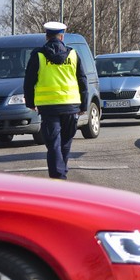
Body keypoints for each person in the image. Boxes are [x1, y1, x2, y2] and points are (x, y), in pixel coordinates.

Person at [23, 21, 88, 179]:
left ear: (47, 36)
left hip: (48, 107)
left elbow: (29, 80)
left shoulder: (38, 55)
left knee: (53, 144)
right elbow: (82, 80)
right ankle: (60, 173)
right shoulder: (73, 54)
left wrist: (30, 103)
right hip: (71, 105)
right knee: (65, 142)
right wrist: (84, 104)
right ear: (62, 36)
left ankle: (58, 176)